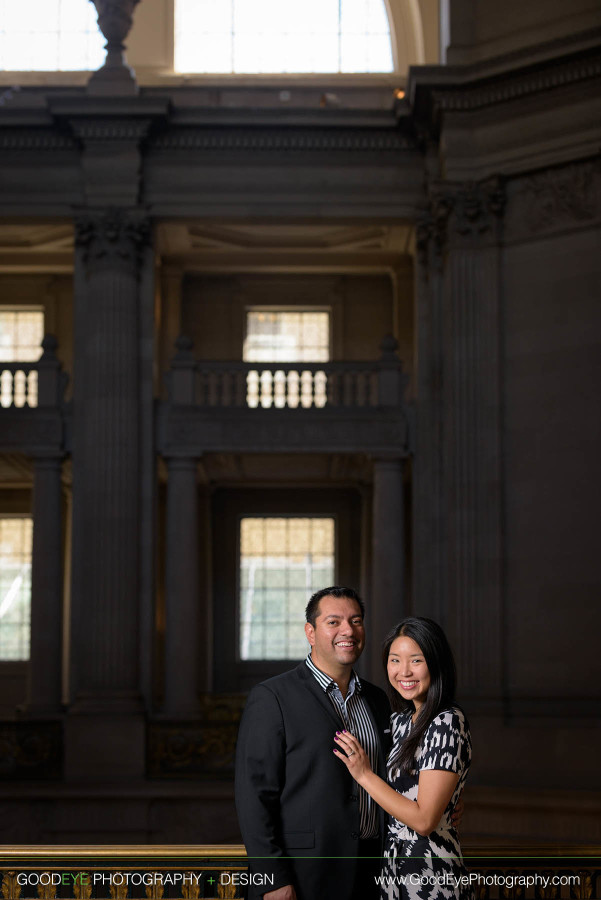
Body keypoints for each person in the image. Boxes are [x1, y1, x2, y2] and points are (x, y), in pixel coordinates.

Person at [235, 586, 392, 900]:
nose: (348, 630)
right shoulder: (272, 697)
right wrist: (272, 880)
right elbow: (253, 795)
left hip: (374, 871)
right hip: (302, 875)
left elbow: (393, 775)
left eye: (356, 621)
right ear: (310, 632)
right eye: (334, 622)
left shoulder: (378, 699)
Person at [334, 617, 474, 900]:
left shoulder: (447, 721)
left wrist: (364, 775)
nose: (404, 672)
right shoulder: (398, 721)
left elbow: (424, 820)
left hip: (431, 876)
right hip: (392, 872)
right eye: (395, 660)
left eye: (416, 661)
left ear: (436, 663)